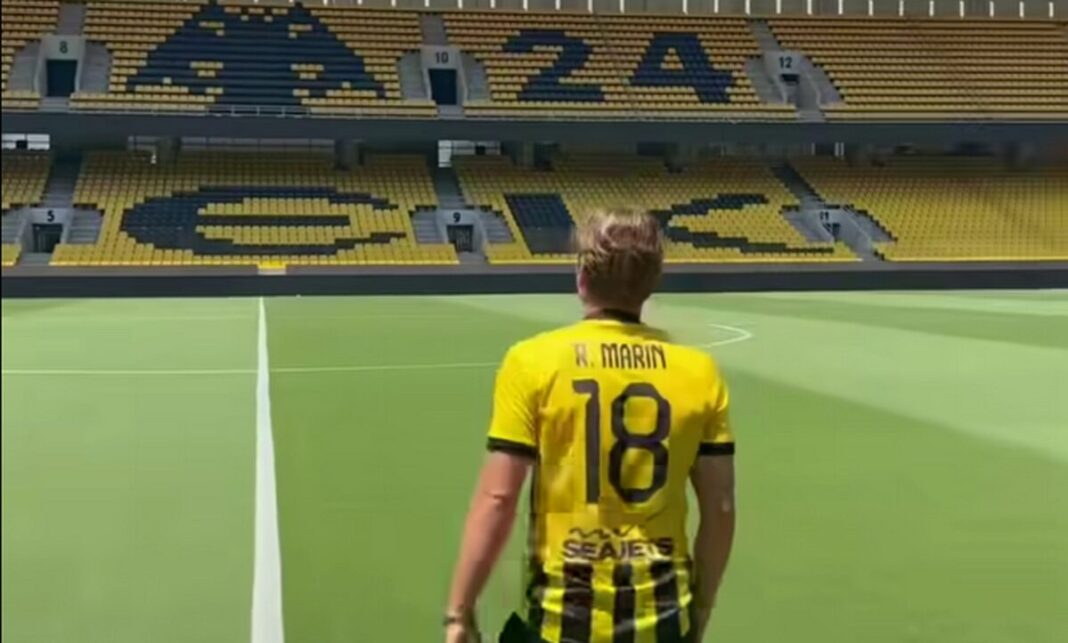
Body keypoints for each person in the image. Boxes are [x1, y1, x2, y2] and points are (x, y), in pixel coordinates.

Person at [445, 209, 736, 643]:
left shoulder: (533, 361)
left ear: (582, 278)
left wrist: (460, 612)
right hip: (663, 619)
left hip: (561, 619)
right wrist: (700, 610)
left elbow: (498, 498)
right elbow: (721, 508)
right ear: (652, 282)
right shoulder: (700, 372)